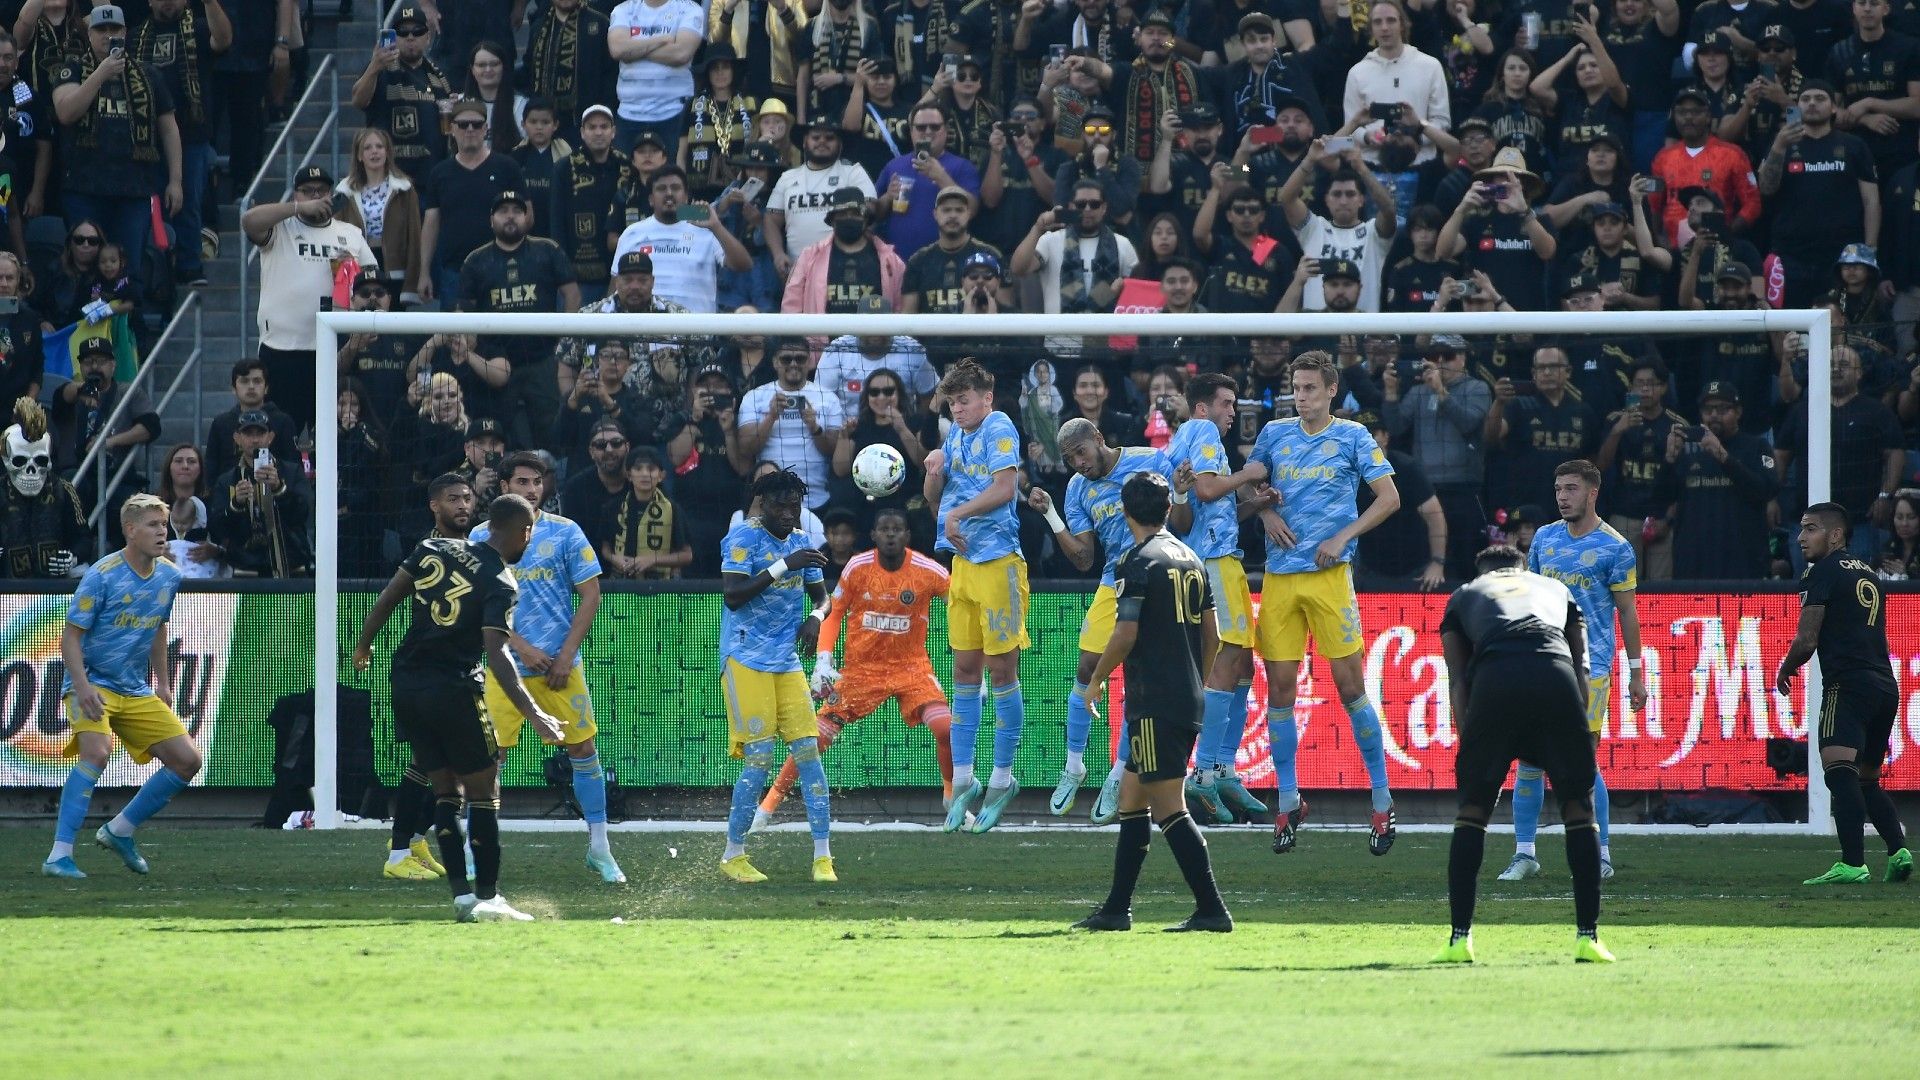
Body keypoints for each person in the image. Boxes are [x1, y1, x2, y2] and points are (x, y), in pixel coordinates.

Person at [352, 493, 562, 922]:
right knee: (484, 792)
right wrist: (535, 713)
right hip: (453, 688)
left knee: (445, 790)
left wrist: (363, 643)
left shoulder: (433, 547)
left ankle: (463, 898)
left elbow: (389, 597)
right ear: (523, 531)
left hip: (406, 684)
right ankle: (489, 897)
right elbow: (497, 654)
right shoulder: (501, 580)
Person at [1242, 351, 1402, 856]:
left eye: (1311, 387)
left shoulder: (1352, 436)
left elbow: (1389, 497)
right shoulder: (1273, 434)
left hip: (1330, 577)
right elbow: (1244, 494)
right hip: (1281, 578)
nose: (1302, 396)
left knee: (1351, 685)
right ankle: (1288, 800)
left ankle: (1381, 799)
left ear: (1331, 390)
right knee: (1281, 691)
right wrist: (1265, 515)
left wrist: (1344, 535)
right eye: (1296, 387)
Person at [1433, 544, 1613, 965]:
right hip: (1556, 679)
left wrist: (1470, 741)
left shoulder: (1463, 594)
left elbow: (1458, 677)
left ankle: (1460, 940)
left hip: (1495, 683)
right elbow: (1582, 665)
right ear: (1522, 568)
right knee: (1578, 812)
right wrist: (1577, 734)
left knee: (1472, 813)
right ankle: (1588, 938)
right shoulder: (1554, 589)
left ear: (1483, 570)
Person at [1069, 471, 1232, 934]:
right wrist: (1194, 678)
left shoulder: (1136, 561)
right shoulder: (1191, 558)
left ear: (1124, 511)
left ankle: (1212, 909)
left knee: (1169, 808)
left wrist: (1096, 680)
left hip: (1155, 699)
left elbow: (1125, 633)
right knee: (1131, 798)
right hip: (1183, 693)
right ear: (1167, 510)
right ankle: (1116, 910)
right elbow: (1214, 635)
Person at [463, 454, 624, 884]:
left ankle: (600, 848)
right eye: (522, 481)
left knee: (584, 751)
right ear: (503, 485)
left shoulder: (566, 531)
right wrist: (523, 648)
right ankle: (474, 851)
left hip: (560, 666)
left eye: (537, 481)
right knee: (488, 760)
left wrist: (566, 654)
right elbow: (477, 606)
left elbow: (591, 595)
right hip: (503, 667)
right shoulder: (481, 538)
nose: (532, 489)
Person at [1493, 460, 1645, 883]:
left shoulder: (1616, 547)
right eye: (1559, 488)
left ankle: (1599, 854)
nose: (1562, 496)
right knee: (1528, 760)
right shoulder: (1543, 539)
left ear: (1593, 492)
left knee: (1579, 761)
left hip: (1590, 668)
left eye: (1571, 489)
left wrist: (1636, 672)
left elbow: (1628, 612)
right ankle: (1525, 853)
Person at [755, 508, 955, 824]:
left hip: (911, 667)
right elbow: (834, 613)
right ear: (873, 536)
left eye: (897, 529)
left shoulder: (928, 570)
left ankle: (950, 799)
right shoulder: (858, 567)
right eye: (884, 529)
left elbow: (959, 604)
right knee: (814, 739)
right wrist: (823, 659)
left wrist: (975, 659)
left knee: (945, 728)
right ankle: (766, 807)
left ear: (907, 536)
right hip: (862, 670)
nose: (890, 534)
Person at [1028, 416, 1182, 824]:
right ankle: (1074, 766)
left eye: (1081, 452)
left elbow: (1183, 523)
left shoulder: (1151, 461)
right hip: (1113, 582)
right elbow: (1082, 558)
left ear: (1099, 438)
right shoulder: (1078, 489)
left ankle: (1118, 774)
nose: (1078, 463)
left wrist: (1182, 493)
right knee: (1086, 666)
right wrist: (1052, 517)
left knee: (1140, 680)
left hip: (1158, 578)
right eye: (1069, 458)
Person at [39, 495, 196, 879]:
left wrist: (163, 682)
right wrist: (83, 687)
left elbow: (159, 627)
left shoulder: (170, 576)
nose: (162, 532)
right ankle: (59, 855)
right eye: (153, 526)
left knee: (188, 761)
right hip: (93, 683)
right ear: (130, 530)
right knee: (96, 752)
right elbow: (70, 638)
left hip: (134, 687)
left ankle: (119, 830)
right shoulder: (102, 574)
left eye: (164, 525)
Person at [1775, 502, 1914, 885]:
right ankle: (1899, 851)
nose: (1801, 537)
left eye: (1811, 528)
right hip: (1885, 686)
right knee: (1867, 779)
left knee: (1838, 772)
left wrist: (1786, 668)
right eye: (1801, 529)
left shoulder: (1822, 571)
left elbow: (1807, 638)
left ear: (1835, 535)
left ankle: (1852, 863)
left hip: (1847, 684)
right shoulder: (1867, 571)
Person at [717, 467, 837, 884]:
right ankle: (734, 854)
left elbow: (824, 599)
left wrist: (815, 618)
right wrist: (784, 565)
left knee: (808, 754)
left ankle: (823, 858)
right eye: (780, 505)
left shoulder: (803, 542)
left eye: (795, 505)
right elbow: (732, 596)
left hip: (786, 661)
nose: (789, 512)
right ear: (762, 504)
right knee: (761, 758)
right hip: (745, 658)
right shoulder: (743, 538)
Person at [923, 357, 1027, 834]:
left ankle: (1004, 778)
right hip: (962, 567)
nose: (958, 408)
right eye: (952, 402)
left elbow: (1006, 489)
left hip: (999, 564)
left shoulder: (1000, 427)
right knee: (965, 671)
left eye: (964, 400)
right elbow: (935, 503)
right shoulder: (955, 437)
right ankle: (963, 779)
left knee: (1002, 671)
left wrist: (956, 513)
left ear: (987, 398)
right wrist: (933, 472)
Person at [1167, 373, 1272, 821]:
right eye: (1227, 403)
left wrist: (1253, 501)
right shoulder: (1204, 432)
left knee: (1242, 663)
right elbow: (1209, 490)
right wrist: (1248, 473)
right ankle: (1205, 773)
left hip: (1216, 558)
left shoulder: (1190, 440)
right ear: (1203, 407)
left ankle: (1224, 768)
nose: (1234, 412)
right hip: (1213, 563)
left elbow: (1205, 508)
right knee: (1227, 660)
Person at [377, 472, 476, 882]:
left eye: (468, 498)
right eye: (454, 498)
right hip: (424, 668)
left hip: (451, 668)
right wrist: (365, 645)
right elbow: (390, 597)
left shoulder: (473, 547)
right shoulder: (428, 549)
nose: (463, 505)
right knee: (438, 760)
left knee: (437, 761)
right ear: (434, 505)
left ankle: (412, 840)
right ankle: (400, 850)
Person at [242, 163, 378, 436]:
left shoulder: (350, 234)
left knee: (330, 436)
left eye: (321, 191)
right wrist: (297, 209)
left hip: (332, 350)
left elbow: (373, 284)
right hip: (282, 349)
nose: (316, 196)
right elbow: (248, 221)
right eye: (307, 191)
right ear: (296, 195)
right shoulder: (280, 228)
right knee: (279, 435)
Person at [52, 5, 182, 279]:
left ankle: (125, 321)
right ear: (89, 34)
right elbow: (65, 112)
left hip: (133, 190)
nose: (108, 36)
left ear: (124, 32)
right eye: (101, 30)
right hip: (84, 188)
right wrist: (100, 73)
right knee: (83, 267)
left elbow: (169, 129)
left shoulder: (148, 74)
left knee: (127, 267)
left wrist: (176, 181)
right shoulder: (72, 68)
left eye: (114, 30)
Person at [456, 188, 581, 449]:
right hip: (497, 362)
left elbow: (572, 294)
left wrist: (563, 341)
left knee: (551, 433)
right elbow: (464, 314)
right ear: (491, 220)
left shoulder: (548, 250)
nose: (510, 217)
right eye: (503, 211)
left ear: (527, 217)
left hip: (544, 358)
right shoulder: (475, 260)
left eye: (517, 211)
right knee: (503, 436)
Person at [1757, 80, 1882, 309]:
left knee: (1838, 328)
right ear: (1796, 106)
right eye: (1805, 99)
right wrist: (1778, 146)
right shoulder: (1781, 143)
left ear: (1834, 107)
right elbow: (1765, 188)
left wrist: (1870, 249)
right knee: (1791, 330)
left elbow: (1871, 200)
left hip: (1841, 258)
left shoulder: (1854, 145)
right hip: (1790, 255)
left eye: (1820, 98)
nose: (1812, 103)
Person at [134, 0, 228, 287]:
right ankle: (156, 272)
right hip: (145, 138)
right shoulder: (134, 36)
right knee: (149, 208)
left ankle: (190, 265)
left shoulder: (198, 28)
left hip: (192, 135)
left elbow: (223, 40)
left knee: (187, 203)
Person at [1383, 334, 1492, 579]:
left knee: (1465, 560)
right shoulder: (1418, 391)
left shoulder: (1477, 388)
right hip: (1425, 490)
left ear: (1463, 358)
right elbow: (1396, 428)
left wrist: (1441, 392)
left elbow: (1468, 423)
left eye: (1449, 356)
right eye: (1434, 356)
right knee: (1425, 561)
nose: (1441, 362)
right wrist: (1390, 393)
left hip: (1463, 489)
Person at [417, 98, 525, 308]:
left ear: (486, 128)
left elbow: (527, 215)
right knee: (455, 338)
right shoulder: (439, 173)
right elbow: (431, 224)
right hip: (455, 271)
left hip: (502, 267)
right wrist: (424, 272)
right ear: (451, 128)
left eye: (476, 124)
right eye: (463, 124)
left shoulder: (507, 167)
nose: (470, 129)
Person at [1668, 380, 1779, 579]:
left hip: (1743, 563)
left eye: (1722, 408)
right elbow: (1659, 498)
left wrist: (1722, 456)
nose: (1713, 415)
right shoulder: (1687, 449)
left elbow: (1765, 490)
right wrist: (1668, 460)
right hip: (1694, 565)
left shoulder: (1757, 447)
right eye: (1708, 409)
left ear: (1738, 412)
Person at [610, 165, 753, 313]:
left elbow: (744, 264)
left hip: (696, 331)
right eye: (661, 189)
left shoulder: (707, 228)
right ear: (651, 200)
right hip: (647, 330)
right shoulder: (632, 233)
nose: (669, 193)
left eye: (675, 188)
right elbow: (616, 286)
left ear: (686, 197)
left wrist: (717, 227)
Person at [1279, 140, 1399, 312]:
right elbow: (1286, 198)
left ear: (1361, 200)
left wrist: (1361, 167)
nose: (1343, 201)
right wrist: (1309, 160)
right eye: (1336, 194)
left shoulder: (1373, 232)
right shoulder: (1314, 228)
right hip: (1317, 332)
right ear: (1327, 200)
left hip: (1362, 330)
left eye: (1350, 194)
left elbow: (1388, 209)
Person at [739, 336, 843, 510]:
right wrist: (771, 417)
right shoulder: (754, 397)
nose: (793, 364)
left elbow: (834, 452)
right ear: (775, 362)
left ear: (809, 362)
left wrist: (814, 427)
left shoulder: (828, 398)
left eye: (800, 359)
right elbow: (746, 450)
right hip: (770, 497)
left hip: (816, 498)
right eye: (786, 359)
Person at [351, 4, 454, 176]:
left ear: (428, 37)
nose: (410, 37)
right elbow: (358, 100)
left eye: (417, 31)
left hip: (430, 175)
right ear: (394, 37)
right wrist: (374, 66)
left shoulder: (438, 76)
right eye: (403, 32)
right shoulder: (380, 69)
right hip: (389, 175)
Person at [766, 120, 875, 276]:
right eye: (816, 137)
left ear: (840, 144)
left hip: (842, 268)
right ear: (804, 142)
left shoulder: (853, 172)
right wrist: (778, 254)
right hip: (797, 270)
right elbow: (771, 219)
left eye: (829, 138)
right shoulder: (787, 177)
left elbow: (870, 212)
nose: (822, 141)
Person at [872, 102, 981, 259]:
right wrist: (888, 197)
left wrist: (941, 177)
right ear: (911, 131)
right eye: (921, 127)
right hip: (898, 260)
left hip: (946, 260)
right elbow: (875, 214)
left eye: (935, 127)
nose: (928, 132)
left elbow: (973, 210)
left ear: (946, 130)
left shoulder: (962, 166)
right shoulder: (894, 165)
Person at [211, 408, 310, 577]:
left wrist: (280, 489)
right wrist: (235, 505)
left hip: (291, 566)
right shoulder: (226, 480)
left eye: (260, 433)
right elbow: (217, 529)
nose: (255, 439)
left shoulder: (292, 472)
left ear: (270, 437)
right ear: (237, 438)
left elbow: (304, 513)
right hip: (245, 569)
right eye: (248, 433)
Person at [780, 184, 905, 315]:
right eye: (842, 214)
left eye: (855, 214)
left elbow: (900, 309)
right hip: (820, 335)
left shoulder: (891, 260)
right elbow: (791, 307)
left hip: (875, 335)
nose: (849, 218)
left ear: (865, 219)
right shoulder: (809, 257)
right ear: (832, 220)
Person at [0, 396, 88, 579]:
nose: (31, 471)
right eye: (20, 461)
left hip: (53, 591)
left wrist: (72, 558)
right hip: (6, 591)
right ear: (6, 460)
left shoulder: (64, 490)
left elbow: (84, 538)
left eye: (40, 460)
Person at [333, 128, 425, 301]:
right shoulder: (345, 191)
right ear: (359, 156)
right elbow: (335, 232)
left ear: (387, 152)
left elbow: (414, 237)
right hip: (359, 267)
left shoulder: (404, 189)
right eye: (367, 148)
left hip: (394, 269)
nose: (374, 151)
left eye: (379, 146)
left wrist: (412, 282)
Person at [607, 0, 705, 154]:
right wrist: (659, 40)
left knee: (671, 177)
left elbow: (681, 54)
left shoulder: (690, 9)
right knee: (626, 176)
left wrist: (633, 50)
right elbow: (617, 49)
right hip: (629, 114)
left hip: (674, 113)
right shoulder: (624, 10)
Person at [520, 0, 617, 146]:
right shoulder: (539, 26)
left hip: (584, 123)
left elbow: (610, 75)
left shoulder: (599, 23)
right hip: (546, 124)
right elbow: (529, 69)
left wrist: (602, 115)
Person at [604, 444, 694, 578]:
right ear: (629, 475)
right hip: (621, 585)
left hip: (661, 587)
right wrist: (614, 558)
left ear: (661, 476)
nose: (645, 474)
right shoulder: (613, 507)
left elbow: (687, 555)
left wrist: (652, 560)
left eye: (651, 469)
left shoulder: (673, 509)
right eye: (638, 469)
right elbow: (605, 548)